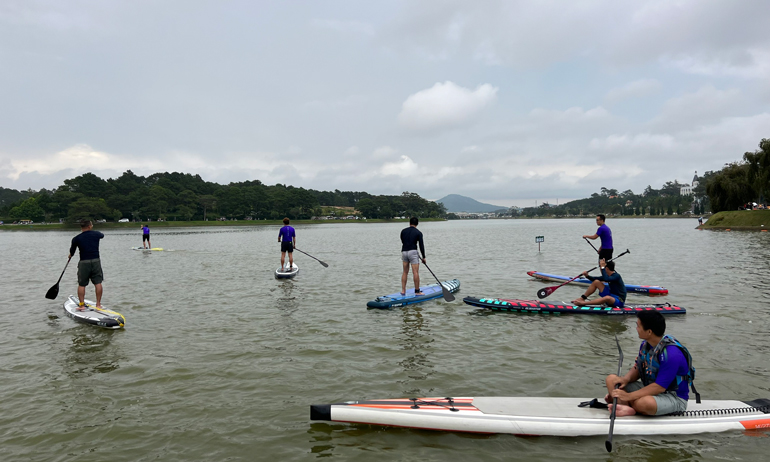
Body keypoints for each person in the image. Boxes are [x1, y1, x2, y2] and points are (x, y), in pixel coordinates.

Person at [604, 310, 697, 416]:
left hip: (673, 397)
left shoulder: (671, 354)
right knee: (612, 380)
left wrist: (629, 396)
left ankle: (628, 405)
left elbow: (659, 387)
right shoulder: (645, 344)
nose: (636, 329)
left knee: (644, 403)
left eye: (638, 326)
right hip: (649, 388)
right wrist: (626, 379)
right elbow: (638, 368)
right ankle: (625, 407)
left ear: (649, 332)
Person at [68, 219, 105, 309]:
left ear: (81, 227)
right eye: (91, 225)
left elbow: (72, 251)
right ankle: (98, 304)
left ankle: (81, 305)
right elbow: (102, 235)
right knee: (98, 282)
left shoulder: (76, 238)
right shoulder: (96, 234)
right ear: (89, 226)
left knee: (82, 284)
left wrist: (70, 255)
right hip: (96, 261)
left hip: (84, 262)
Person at [400, 217, 426, 296]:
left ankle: (403, 291)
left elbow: (402, 241)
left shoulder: (403, 231)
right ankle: (417, 291)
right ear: (417, 224)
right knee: (415, 272)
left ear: (409, 223)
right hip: (413, 252)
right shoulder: (418, 232)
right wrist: (423, 257)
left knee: (405, 272)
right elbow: (421, 245)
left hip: (404, 251)